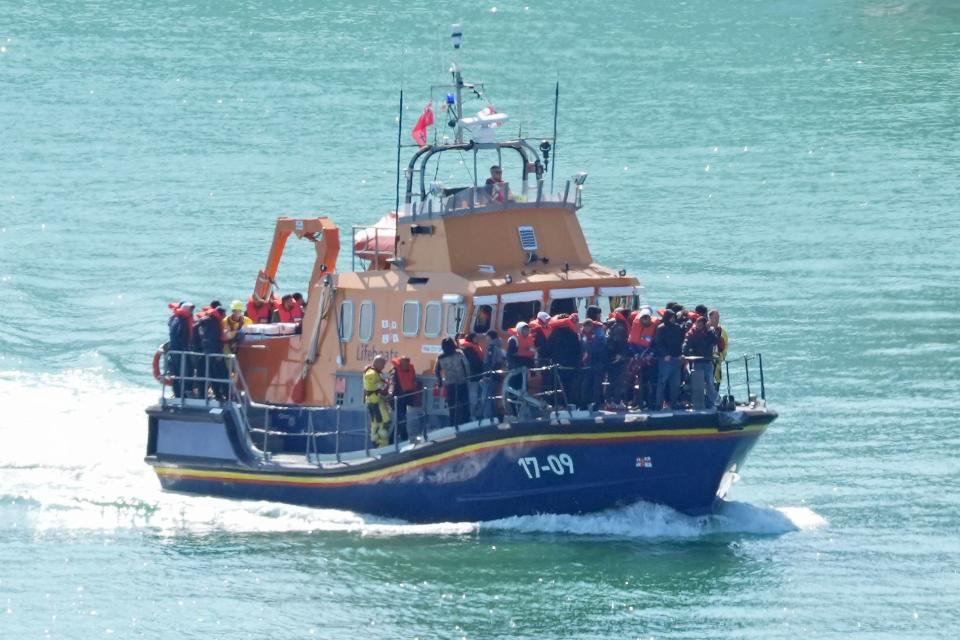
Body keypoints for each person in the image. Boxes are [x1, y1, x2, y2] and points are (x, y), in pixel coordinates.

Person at [682, 315, 721, 408]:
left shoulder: (709, 332)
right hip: (697, 362)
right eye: (698, 324)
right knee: (697, 384)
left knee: (710, 383)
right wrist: (684, 353)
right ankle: (699, 403)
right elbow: (686, 343)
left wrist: (709, 331)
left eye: (701, 324)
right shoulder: (692, 333)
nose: (699, 326)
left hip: (708, 361)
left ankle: (716, 401)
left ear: (704, 325)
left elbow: (715, 341)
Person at [546, 314, 582, 407]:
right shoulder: (572, 333)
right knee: (569, 386)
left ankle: (557, 404)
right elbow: (578, 349)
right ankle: (570, 404)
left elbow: (547, 349)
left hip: (557, 364)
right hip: (570, 365)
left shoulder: (554, 333)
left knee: (556, 385)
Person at [434, 337, 471, 426]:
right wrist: (468, 377)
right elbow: (466, 366)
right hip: (462, 382)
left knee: (452, 405)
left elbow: (436, 370)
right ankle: (466, 422)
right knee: (464, 403)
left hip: (450, 383)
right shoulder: (459, 354)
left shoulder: (441, 358)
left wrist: (440, 382)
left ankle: (452, 423)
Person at [196, 301, 228, 401]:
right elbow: (213, 339)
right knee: (219, 374)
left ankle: (204, 394)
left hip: (205, 352)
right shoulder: (214, 323)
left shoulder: (205, 321)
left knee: (209, 374)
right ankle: (221, 395)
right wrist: (217, 353)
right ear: (220, 314)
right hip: (213, 353)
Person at [653, 309, 684, 409]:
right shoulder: (661, 328)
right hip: (665, 360)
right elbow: (658, 344)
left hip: (676, 359)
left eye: (674, 317)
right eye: (671, 317)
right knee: (662, 382)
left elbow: (680, 342)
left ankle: (673, 403)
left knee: (675, 383)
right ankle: (659, 404)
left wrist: (681, 354)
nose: (673, 319)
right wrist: (665, 354)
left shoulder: (678, 328)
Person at [167, 301, 195, 398]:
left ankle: (181, 393)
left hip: (177, 350)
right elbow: (180, 335)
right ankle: (184, 392)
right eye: (190, 309)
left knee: (182, 372)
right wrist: (185, 347)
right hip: (179, 351)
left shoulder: (176, 319)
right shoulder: (181, 320)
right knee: (185, 371)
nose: (192, 311)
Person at [477, 329, 506, 421]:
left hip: (491, 376)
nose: (486, 339)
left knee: (485, 397)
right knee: (493, 396)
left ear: (489, 337)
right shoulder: (500, 348)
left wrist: (486, 375)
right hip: (498, 376)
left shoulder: (491, 348)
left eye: (487, 337)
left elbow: (490, 362)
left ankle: (487, 417)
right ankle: (494, 416)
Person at [604, 310, 631, 406]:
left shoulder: (614, 325)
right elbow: (620, 342)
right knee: (619, 380)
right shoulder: (620, 327)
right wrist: (620, 354)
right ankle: (616, 401)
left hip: (611, 357)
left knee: (611, 380)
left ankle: (608, 400)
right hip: (618, 358)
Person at [389, 356, 419, 442]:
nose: (406, 365)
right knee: (402, 419)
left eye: (407, 363)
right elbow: (392, 383)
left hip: (405, 398)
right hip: (397, 399)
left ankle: (392, 439)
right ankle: (403, 438)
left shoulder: (410, 369)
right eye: (404, 363)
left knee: (401, 419)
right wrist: (390, 393)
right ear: (401, 363)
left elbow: (413, 380)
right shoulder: (394, 372)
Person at [579, 319, 607, 409]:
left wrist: (589, 346)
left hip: (598, 362)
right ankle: (584, 403)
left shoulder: (599, 333)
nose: (585, 329)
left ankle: (597, 403)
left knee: (597, 384)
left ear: (591, 326)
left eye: (587, 327)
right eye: (584, 327)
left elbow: (601, 346)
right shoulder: (583, 334)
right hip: (588, 362)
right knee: (586, 384)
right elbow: (583, 346)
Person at [363, 355, 391, 447]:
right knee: (379, 422)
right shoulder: (371, 373)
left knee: (381, 421)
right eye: (382, 364)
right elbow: (371, 382)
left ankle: (381, 441)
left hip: (378, 401)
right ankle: (379, 443)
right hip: (374, 402)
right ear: (378, 364)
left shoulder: (376, 372)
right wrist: (383, 384)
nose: (383, 367)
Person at [458, 332, 485, 418]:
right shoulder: (469, 350)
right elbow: (474, 363)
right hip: (473, 377)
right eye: (476, 338)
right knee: (473, 396)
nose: (477, 339)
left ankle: (475, 414)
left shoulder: (471, 349)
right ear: (472, 339)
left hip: (476, 376)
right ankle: (472, 414)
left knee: (476, 395)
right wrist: (482, 366)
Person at [708, 309, 728, 390]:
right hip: (708, 360)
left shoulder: (723, 332)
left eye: (718, 317)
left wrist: (721, 357)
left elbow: (725, 346)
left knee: (717, 382)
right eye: (715, 317)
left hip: (717, 362)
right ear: (709, 318)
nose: (717, 320)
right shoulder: (705, 329)